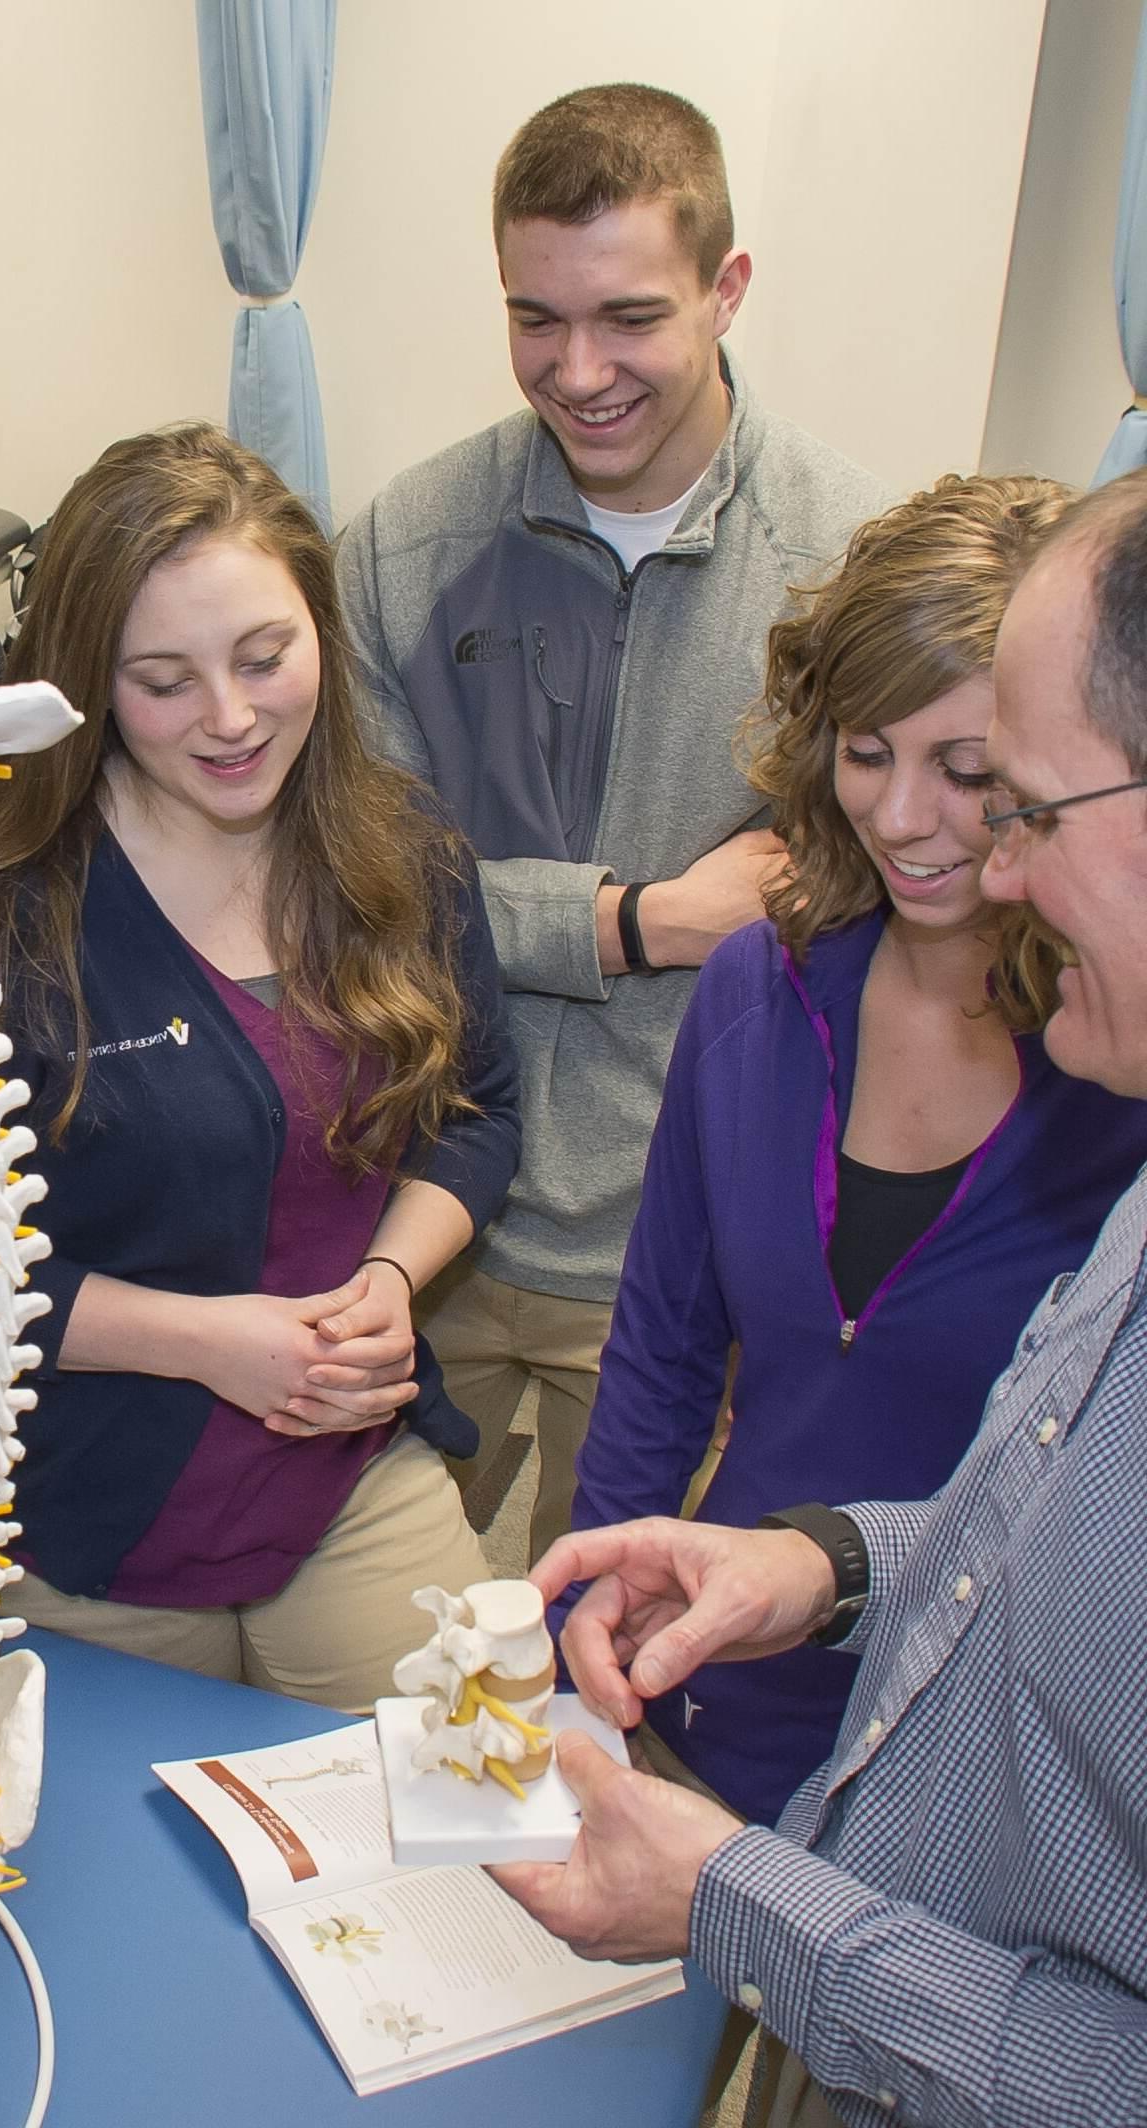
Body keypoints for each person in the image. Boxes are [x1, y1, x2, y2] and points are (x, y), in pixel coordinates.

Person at [492, 471, 1147, 2128]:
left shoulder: (1105, 1061)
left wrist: (742, 1895)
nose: (936, 834)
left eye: (991, 784)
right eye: (868, 755)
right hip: (737, 1697)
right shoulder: (762, 990)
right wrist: (669, 1620)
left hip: (954, 1853)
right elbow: (662, 1349)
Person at [0, 423, 520, 1711]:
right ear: (85, 682)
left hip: (342, 1462)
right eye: (165, 681)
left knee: (464, 1812)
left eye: (267, 656)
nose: (234, 717)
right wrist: (197, 1343)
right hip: (81, 1502)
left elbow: (478, 1114)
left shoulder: (399, 852)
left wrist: (387, 1276)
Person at [337, 84, 889, 1560]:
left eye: (630, 318)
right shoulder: (404, 543)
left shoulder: (848, 567)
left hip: (685, 1249)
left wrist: (503, 900)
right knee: (357, 1675)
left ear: (729, 289)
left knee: (621, 1682)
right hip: (417, 1212)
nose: (578, 372)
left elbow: (865, 903)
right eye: (536, 319)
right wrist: (639, 921)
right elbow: (362, 878)